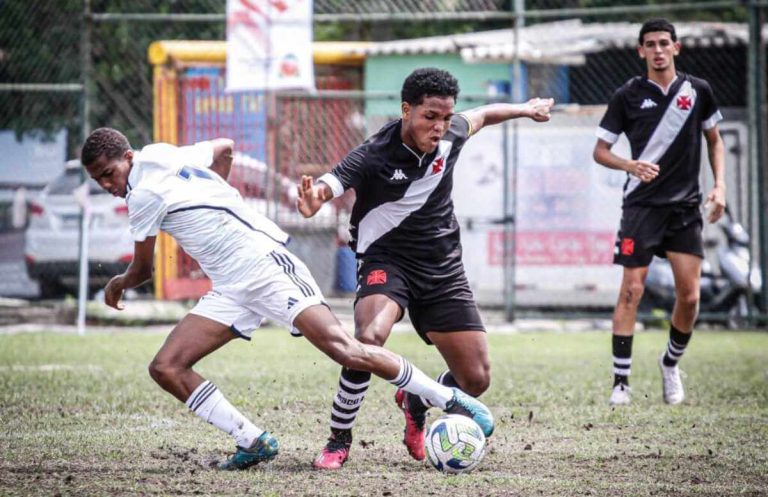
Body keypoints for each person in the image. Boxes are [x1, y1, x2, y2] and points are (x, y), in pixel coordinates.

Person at [80, 127, 495, 471]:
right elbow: (224, 147)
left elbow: (142, 271)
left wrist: (116, 284)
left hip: (264, 264)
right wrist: (224, 200)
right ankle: (253, 441)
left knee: (347, 350)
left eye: (109, 173)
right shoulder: (161, 154)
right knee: (167, 367)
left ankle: (452, 399)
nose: (107, 184)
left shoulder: (141, 195)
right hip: (230, 284)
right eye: (98, 179)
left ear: (128, 158)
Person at [296, 67, 554, 469]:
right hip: (387, 260)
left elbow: (483, 114)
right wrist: (315, 199)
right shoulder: (374, 154)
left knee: (476, 379)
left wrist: (525, 108)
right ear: (406, 110)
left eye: (446, 117)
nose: (439, 126)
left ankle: (417, 398)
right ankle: (338, 439)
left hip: (441, 266)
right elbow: (332, 182)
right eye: (430, 116)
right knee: (369, 336)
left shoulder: (452, 134)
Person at [593, 19, 726, 406]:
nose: (657, 50)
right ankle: (621, 383)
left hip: (684, 208)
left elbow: (714, 141)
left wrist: (719, 186)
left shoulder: (697, 90)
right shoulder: (628, 95)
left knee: (690, 296)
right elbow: (600, 151)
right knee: (631, 290)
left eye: (664, 43)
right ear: (640, 51)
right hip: (641, 206)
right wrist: (630, 166)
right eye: (649, 44)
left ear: (676, 48)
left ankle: (670, 364)